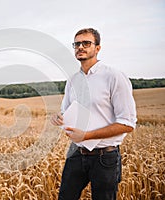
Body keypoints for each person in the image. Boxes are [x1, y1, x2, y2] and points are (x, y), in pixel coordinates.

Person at [51, 28, 137, 200]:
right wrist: (58, 118)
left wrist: (87, 135)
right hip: (76, 153)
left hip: (105, 157)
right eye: (77, 44)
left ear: (97, 48)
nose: (80, 47)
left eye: (86, 43)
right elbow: (65, 112)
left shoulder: (114, 76)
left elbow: (128, 123)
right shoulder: (73, 80)